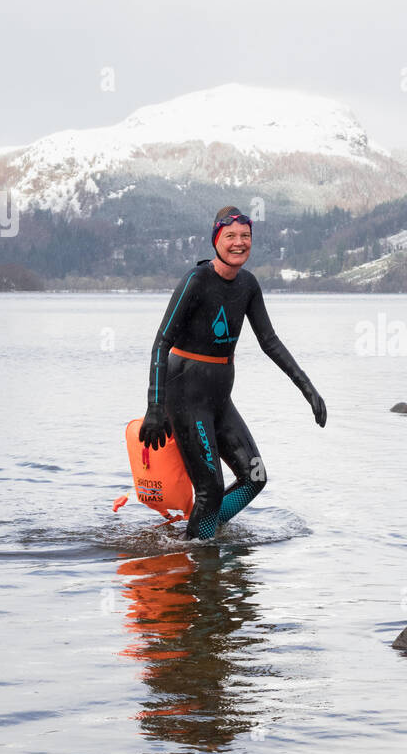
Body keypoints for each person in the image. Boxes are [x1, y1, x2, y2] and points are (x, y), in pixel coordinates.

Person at [139, 206, 326, 541]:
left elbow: (269, 341)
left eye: (245, 236)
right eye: (231, 236)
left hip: (219, 399)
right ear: (216, 240)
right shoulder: (196, 281)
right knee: (210, 488)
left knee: (254, 477)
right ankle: (199, 553)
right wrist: (155, 407)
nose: (239, 243)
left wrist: (307, 388)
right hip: (185, 396)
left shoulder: (248, 285)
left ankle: (198, 533)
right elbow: (160, 343)